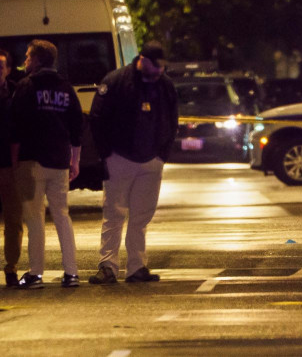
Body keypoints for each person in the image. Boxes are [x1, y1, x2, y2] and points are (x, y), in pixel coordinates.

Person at [88, 41, 178, 285]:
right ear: (142, 59)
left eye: (162, 67)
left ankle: (137, 267)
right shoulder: (116, 81)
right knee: (114, 214)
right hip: (119, 157)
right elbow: (97, 118)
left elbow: (172, 122)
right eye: (155, 66)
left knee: (141, 217)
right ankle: (108, 266)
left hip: (151, 160)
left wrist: (162, 156)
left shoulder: (165, 85)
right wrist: (106, 154)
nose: (159, 71)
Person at [9, 40, 83, 289]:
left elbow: (16, 128)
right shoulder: (66, 88)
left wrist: (14, 161)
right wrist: (75, 161)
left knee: (34, 218)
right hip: (59, 161)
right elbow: (77, 127)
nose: (26, 61)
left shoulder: (26, 87)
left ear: (38, 60)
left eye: (29, 57)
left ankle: (35, 273)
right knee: (62, 215)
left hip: (31, 163)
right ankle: (71, 272)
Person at [0, 48, 23, 287]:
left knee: (13, 219)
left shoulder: (16, 93)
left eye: (0, 66)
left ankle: (11, 267)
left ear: (7, 69)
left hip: (10, 164)